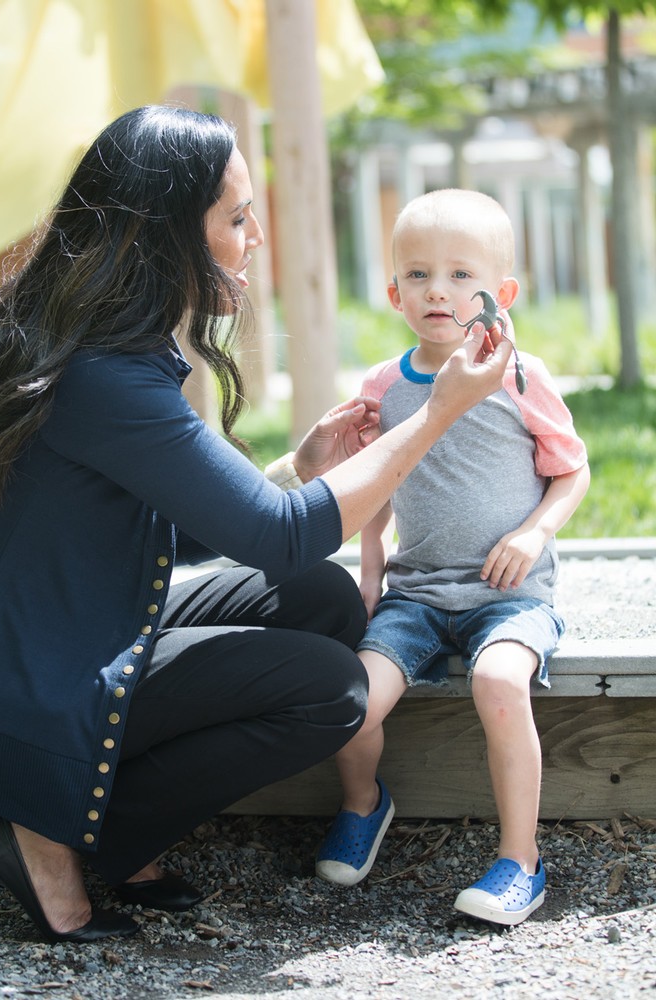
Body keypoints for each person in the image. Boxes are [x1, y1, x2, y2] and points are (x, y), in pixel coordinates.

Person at [0, 110, 512, 946]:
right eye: (234, 217)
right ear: (164, 234)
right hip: (24, 690)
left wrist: (300, 471)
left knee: (322, 600)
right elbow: (280, 535)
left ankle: (96, 825)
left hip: (35, 641)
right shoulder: (103, 374)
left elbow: (176, 527)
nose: (254, 236)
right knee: (329, 687)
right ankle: (60, 835)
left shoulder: (91, 342)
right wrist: (439, 412)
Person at [315, 188, 590, 927]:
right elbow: (374, 493)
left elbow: (573, 470)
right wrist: (370, 581)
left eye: (462, 275)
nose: (438, 290)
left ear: (500, 294)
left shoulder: (519, 374)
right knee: (353, 702)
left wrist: (533, 532)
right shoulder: (384, 386)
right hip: (416, 598)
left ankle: (520, 860)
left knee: (500, 680)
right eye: (417, 274)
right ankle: (364, 804)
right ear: (392, 290)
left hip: (510, 597)